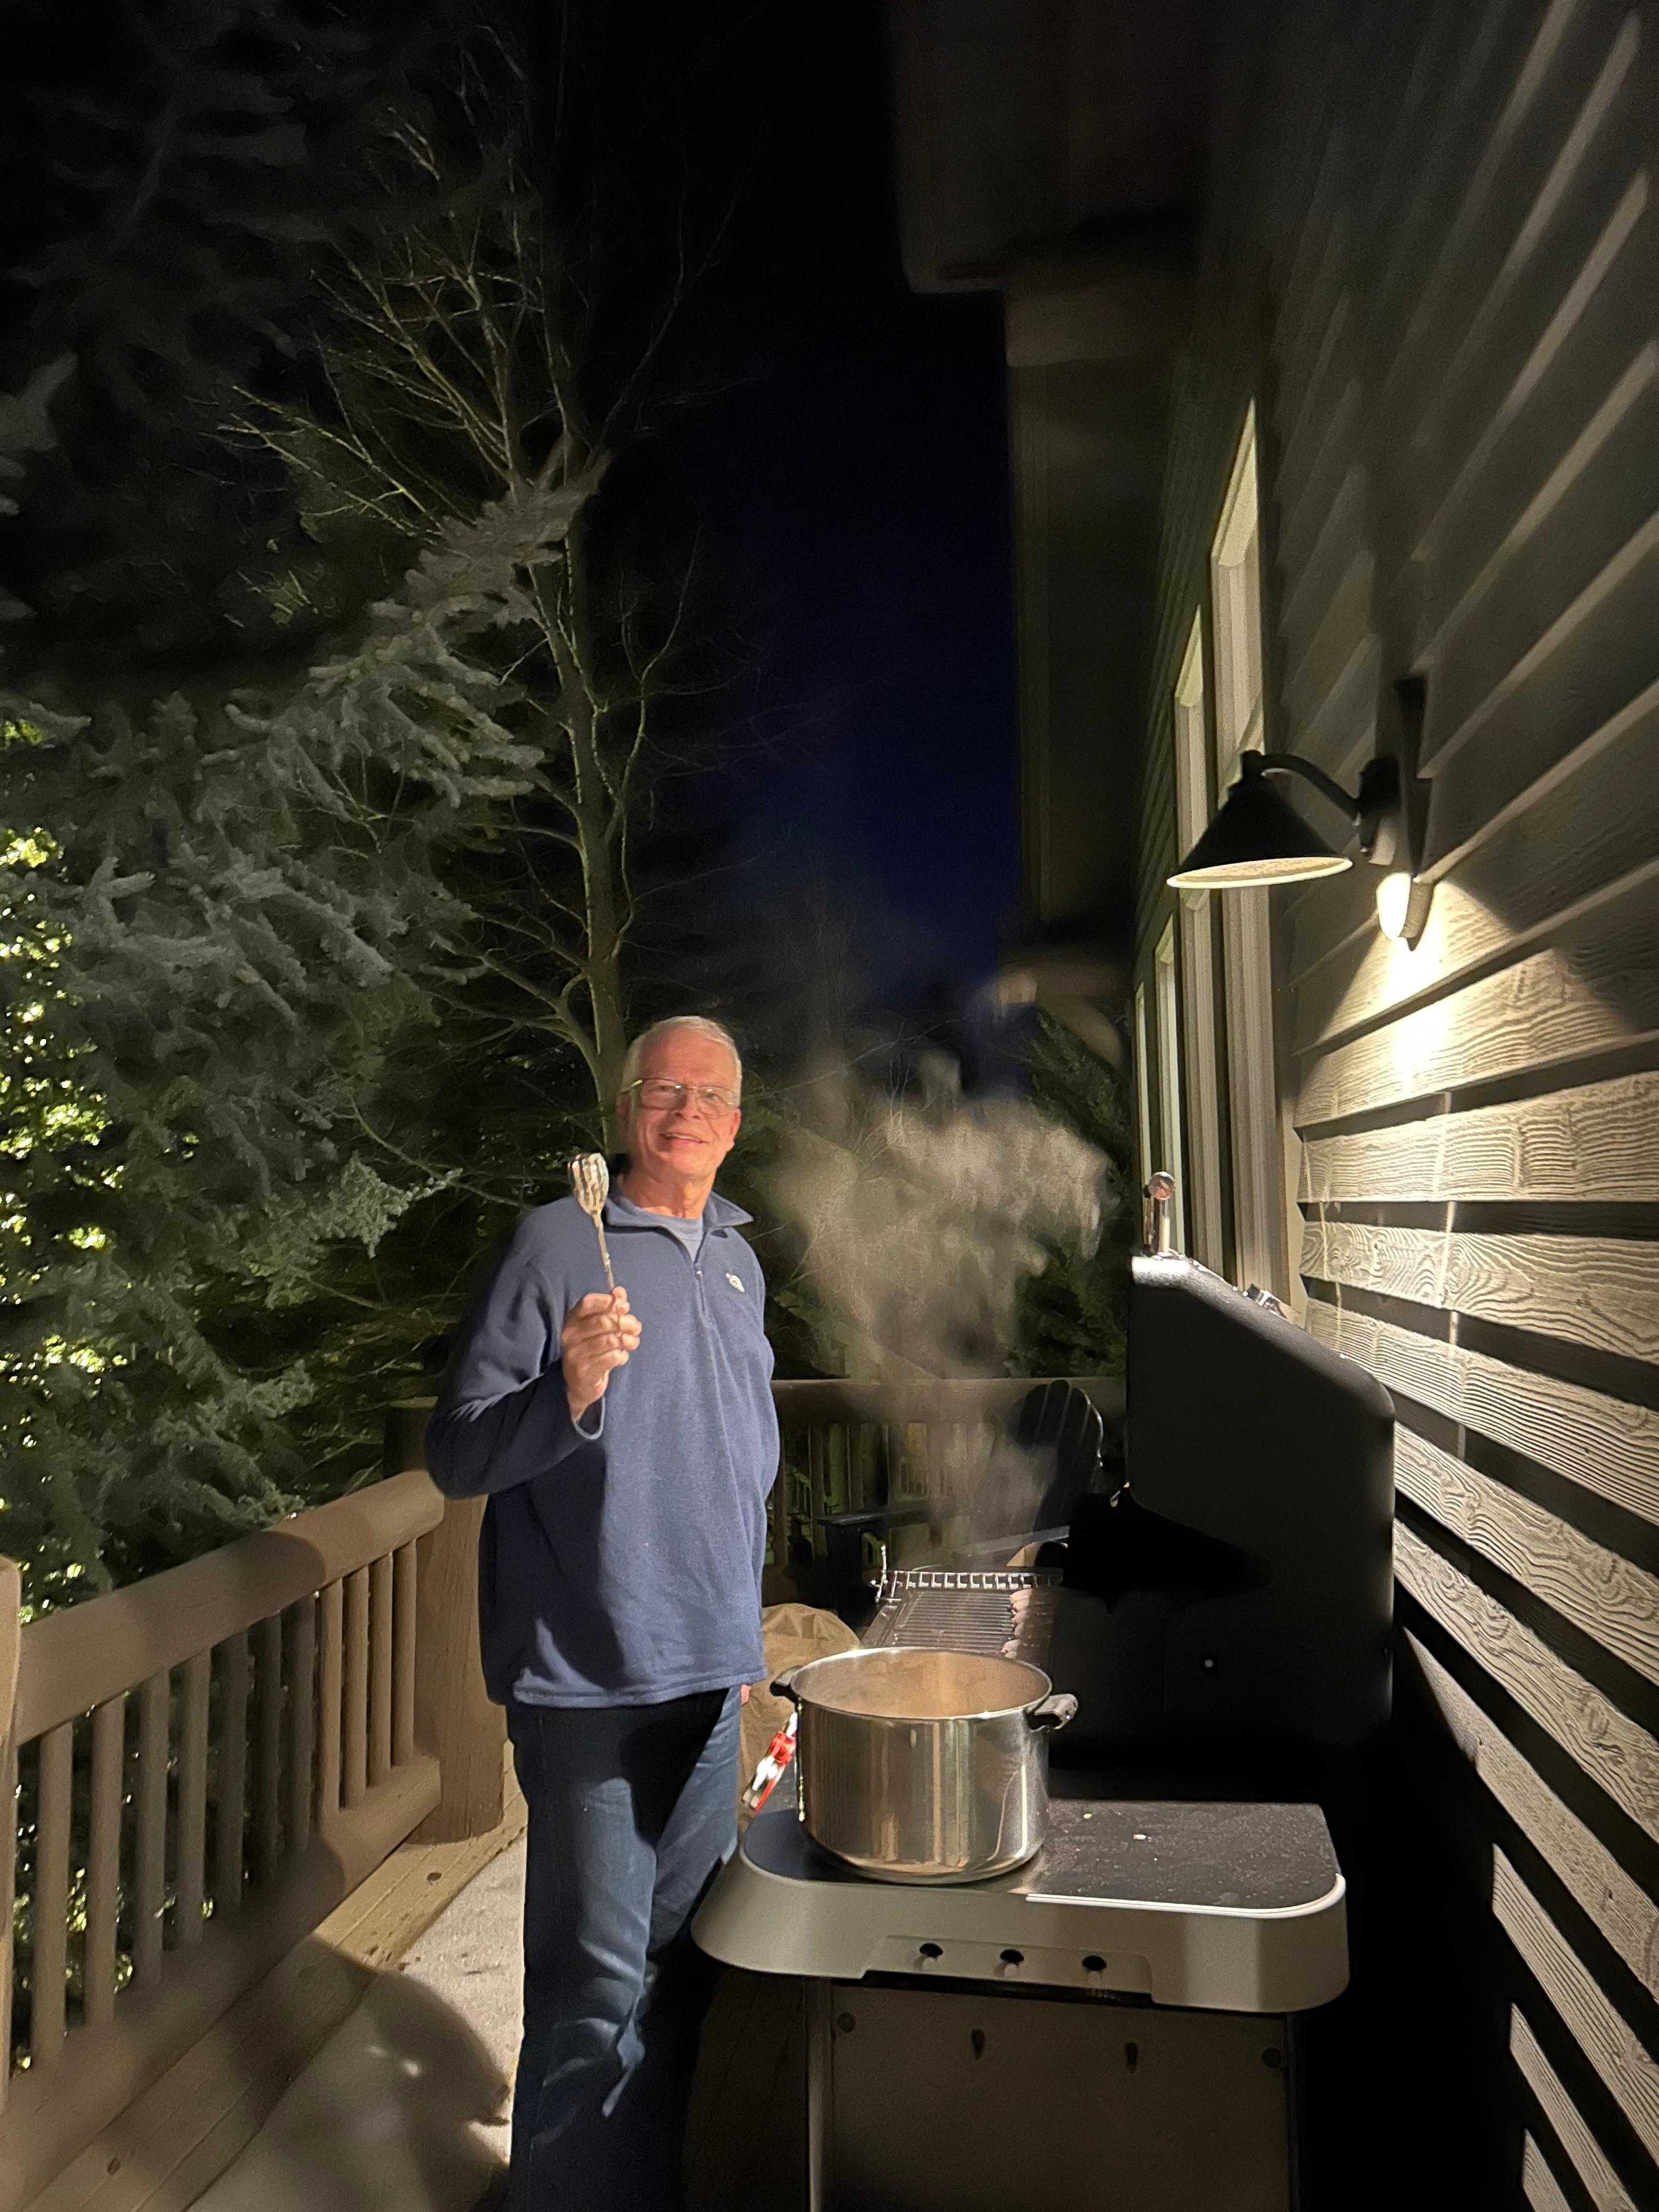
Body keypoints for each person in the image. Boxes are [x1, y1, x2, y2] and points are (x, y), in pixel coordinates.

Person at [426, 1015, 777, 2209]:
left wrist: (743, 1630)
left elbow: (744, 1457)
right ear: (627, 1109)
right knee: (596, 1987)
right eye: (665, 1090)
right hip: (585, 1680)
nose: (689, 1112)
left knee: (688, 1965)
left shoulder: (736, 1258)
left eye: (712, 1096)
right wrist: (569, 1384)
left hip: (708, 1675)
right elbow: (458, 1454)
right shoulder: (555, 1243)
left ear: (737, 1124)